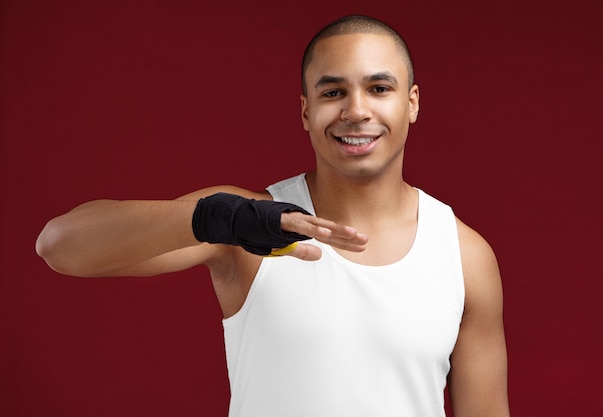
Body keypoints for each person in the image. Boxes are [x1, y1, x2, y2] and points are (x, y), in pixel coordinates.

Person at [36, 15, 510, 417]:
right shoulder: (241, 222)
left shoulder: (463, 255)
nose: (356, 110)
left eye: (379, 88)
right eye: (332, 93)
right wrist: (219, 220)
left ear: (412, 103)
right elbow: (59, 247)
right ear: (306, 112)